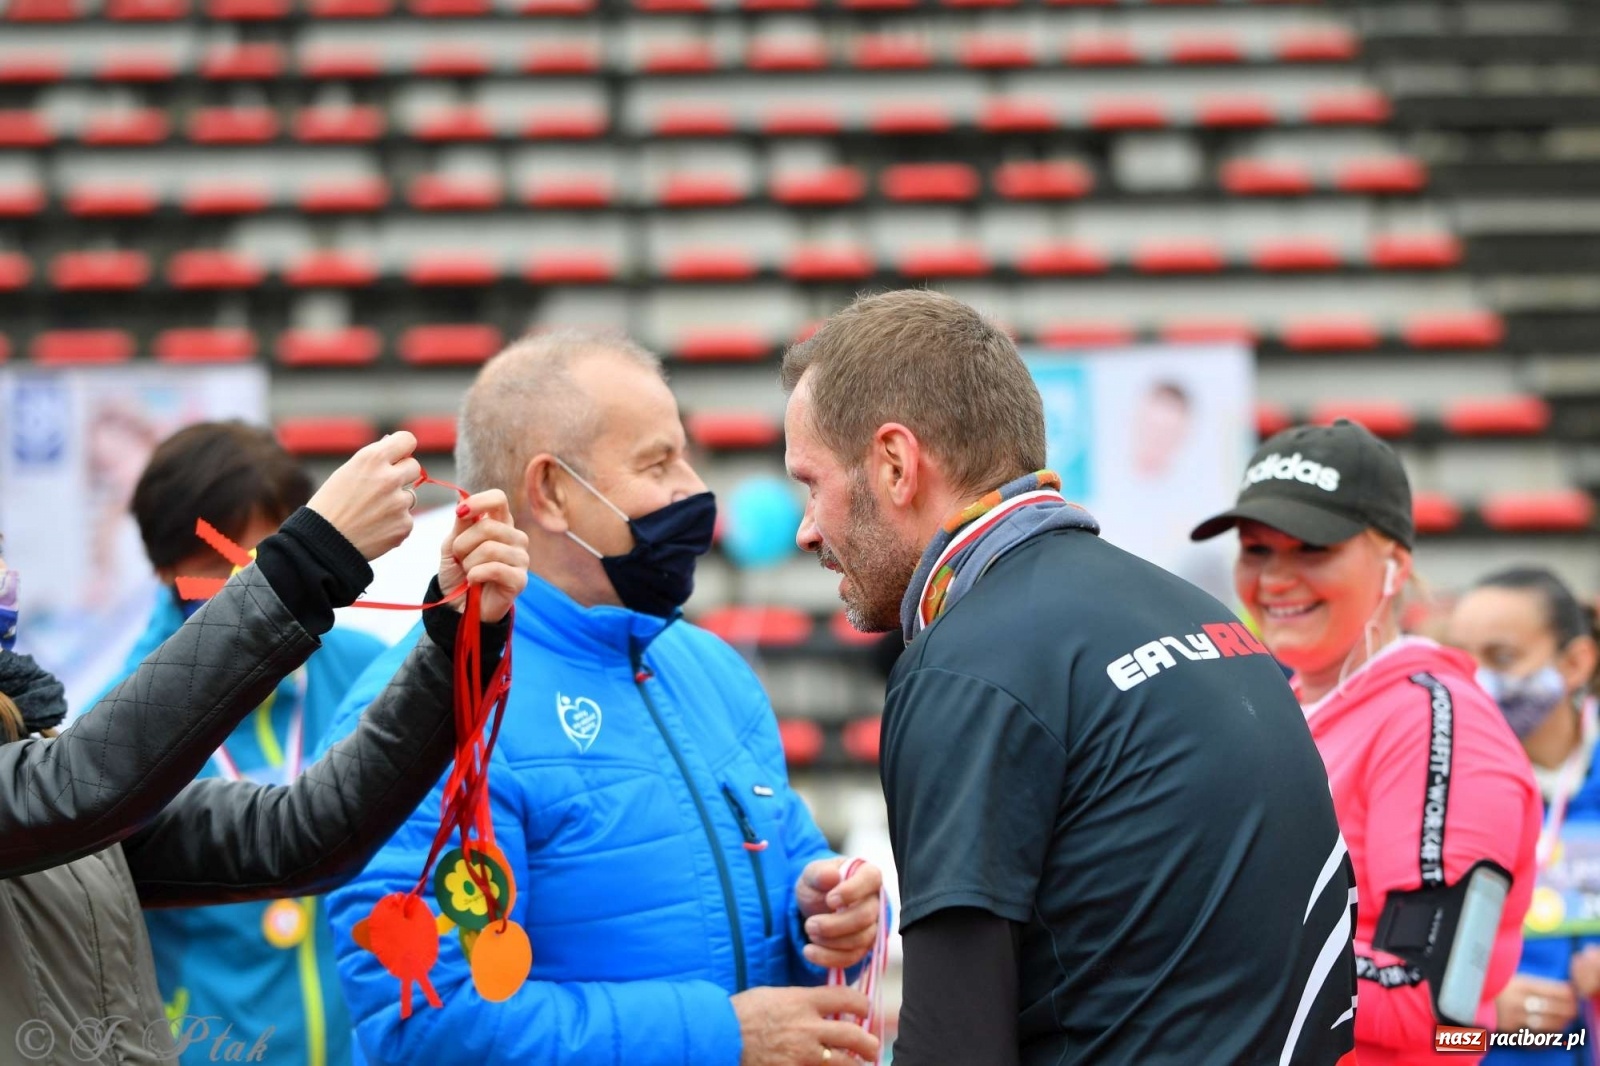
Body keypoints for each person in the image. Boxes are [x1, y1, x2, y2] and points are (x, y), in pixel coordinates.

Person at [781, 289, 1356, 1065]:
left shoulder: (967, 665)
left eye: (811, 483)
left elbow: (955, 1045)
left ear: (894, 464)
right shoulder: (1198, 613)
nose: (806, 528)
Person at [323, 329, 883, 1066]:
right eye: (658, 463)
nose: (693, 490)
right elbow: (427, 1021)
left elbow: (781, 863)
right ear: (552, 492)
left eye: (687, 457)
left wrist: (819, 908)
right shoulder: (428, 711)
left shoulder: (708, 667)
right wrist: (720, 1038)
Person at [0, 431, 531, 1066]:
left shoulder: (46, 757)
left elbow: (305, 833)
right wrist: (307, 561)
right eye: (228, 548)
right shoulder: (94, 752)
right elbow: (82, 784)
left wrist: (457, 639)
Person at [1192, 419, 1542, 1064]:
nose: (1275, 579)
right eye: (1257, 549)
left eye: (1312, 549)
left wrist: (1205, 940)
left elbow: (1436, 1000)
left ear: (1393, 566)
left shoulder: (1439, 724)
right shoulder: (1282, 706)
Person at [102, 422, 384, 1066]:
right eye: (213, 565)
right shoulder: (117, 726)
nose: (248, 590)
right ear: (163, 567)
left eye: (266, 561)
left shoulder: (370, 672)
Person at [1448, 567, 1600, 1063]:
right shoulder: (1433, 798)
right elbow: (1422, 1035)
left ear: (1576, 662)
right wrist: (1482, 1017)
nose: (1477, 683)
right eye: (1460, 663)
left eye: (1502, 658)